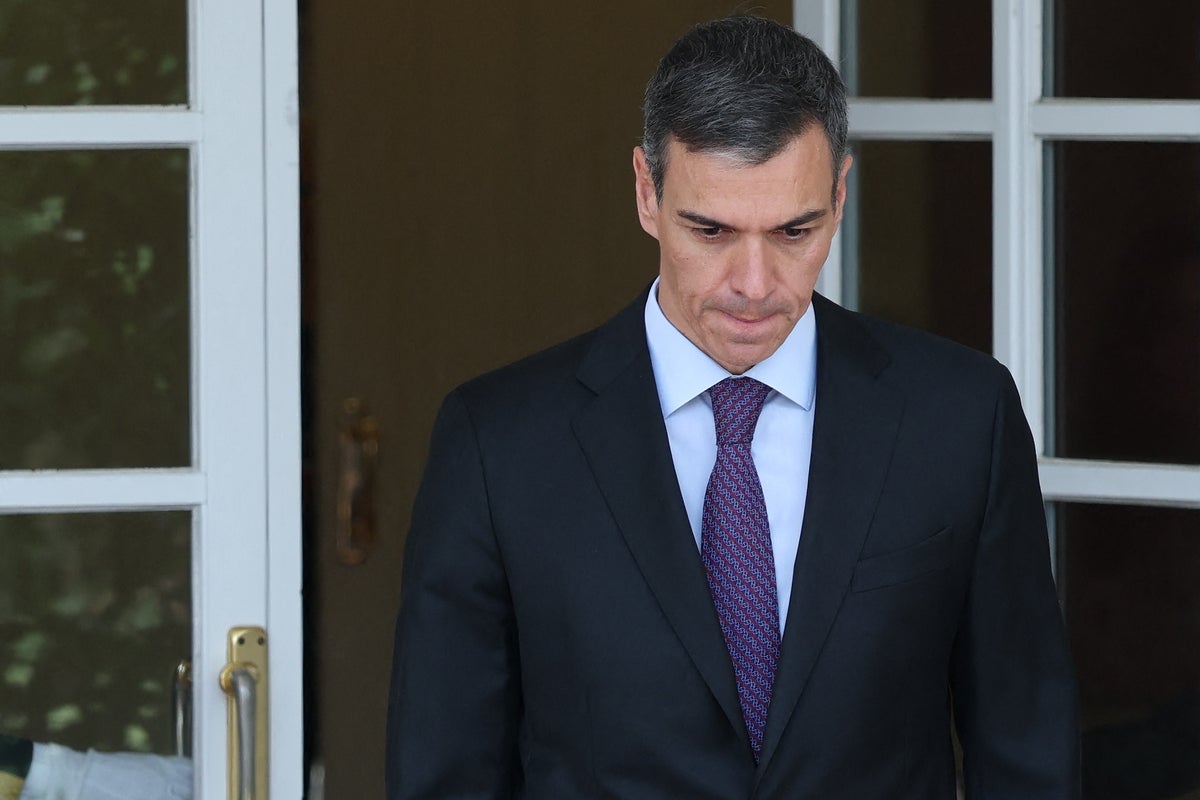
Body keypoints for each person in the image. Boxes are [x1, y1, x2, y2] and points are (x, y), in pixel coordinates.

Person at [386, 14, 1079, 799]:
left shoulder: (960, 417)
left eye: (793, 231)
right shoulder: (498, 444)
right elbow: (447, 773)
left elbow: (1027, 752)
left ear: (840, 195)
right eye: (711, 230)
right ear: (646, 191)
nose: (754, 285)